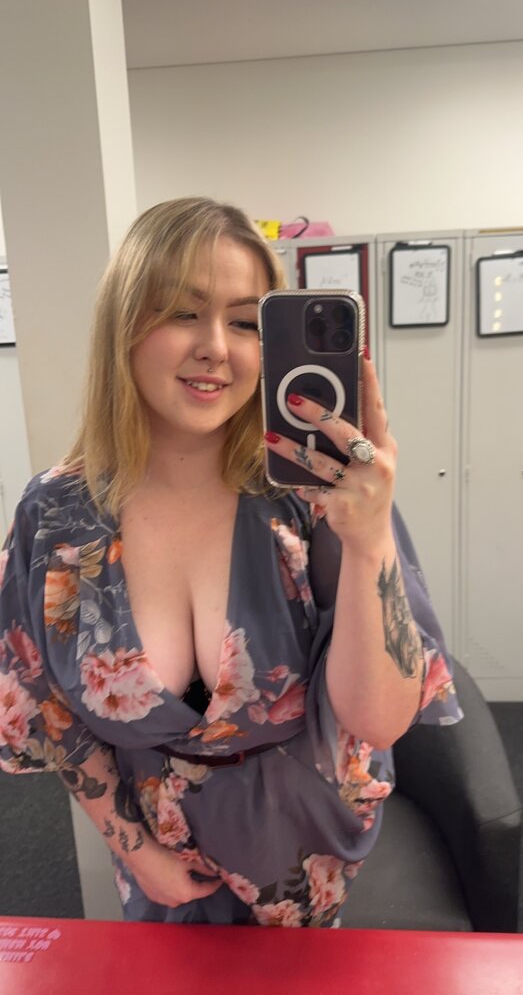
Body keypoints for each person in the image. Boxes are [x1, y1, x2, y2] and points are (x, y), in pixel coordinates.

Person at [0, 197, 462, 927]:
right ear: (124, 326)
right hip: (160, 851)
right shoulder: (56, 517)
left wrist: (369, 536)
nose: (216, 346)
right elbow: (49, 706)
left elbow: (378, 719)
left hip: (311, 846)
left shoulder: (312, 495)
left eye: (246, 322)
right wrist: (134, 850)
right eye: (182, 313)